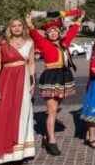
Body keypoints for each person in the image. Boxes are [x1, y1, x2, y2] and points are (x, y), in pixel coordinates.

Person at [0, 19, 35, 165]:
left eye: (19, 26)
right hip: (7, 81)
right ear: (10, 28)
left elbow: (31, 63)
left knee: (23, 114)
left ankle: (19, 153)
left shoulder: (30, 43)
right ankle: (3, 155)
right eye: (13, 26)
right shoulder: (4, 44)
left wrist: (33, 81)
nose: (16, 28)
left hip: (25, 83)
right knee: (4, 115)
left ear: (23, 28)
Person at [25, 12, 82, 156]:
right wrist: (30, 24)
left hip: (64, 76)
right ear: (47, 34)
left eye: (54, 31)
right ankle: (51, 141)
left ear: (58, 32)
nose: (52, 33)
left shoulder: (64, 44)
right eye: (50, 32)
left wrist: (79, 20)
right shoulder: (43, 44)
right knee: (52, 110)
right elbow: (34, 35)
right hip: (51, 77)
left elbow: (71, 33)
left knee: (55, 108)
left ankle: (48, 138)